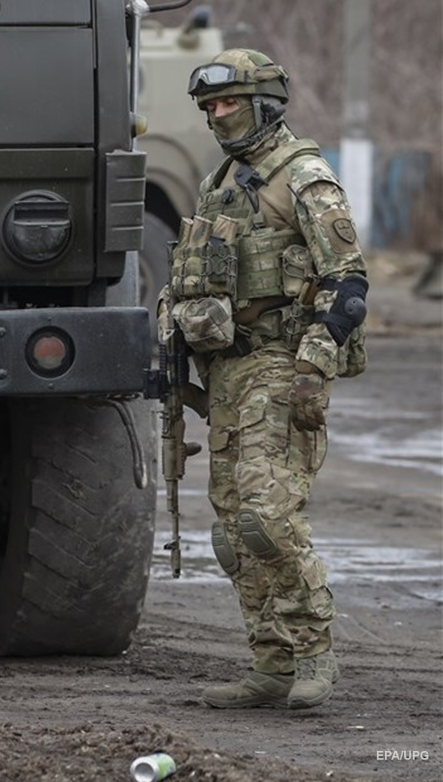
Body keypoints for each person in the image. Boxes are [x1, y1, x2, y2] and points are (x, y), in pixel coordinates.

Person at [159, 48, 369, 710]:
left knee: (267, 519)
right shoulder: (221, 181)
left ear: (266, 104)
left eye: (230, 103)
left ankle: (314, 655)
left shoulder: (303, 177)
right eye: (211, 106)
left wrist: (312, 368)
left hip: (279, 363)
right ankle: (270, 663)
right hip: (225, 369)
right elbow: (194, 275)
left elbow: (347, 281)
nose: (219, 116)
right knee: (230, 529)